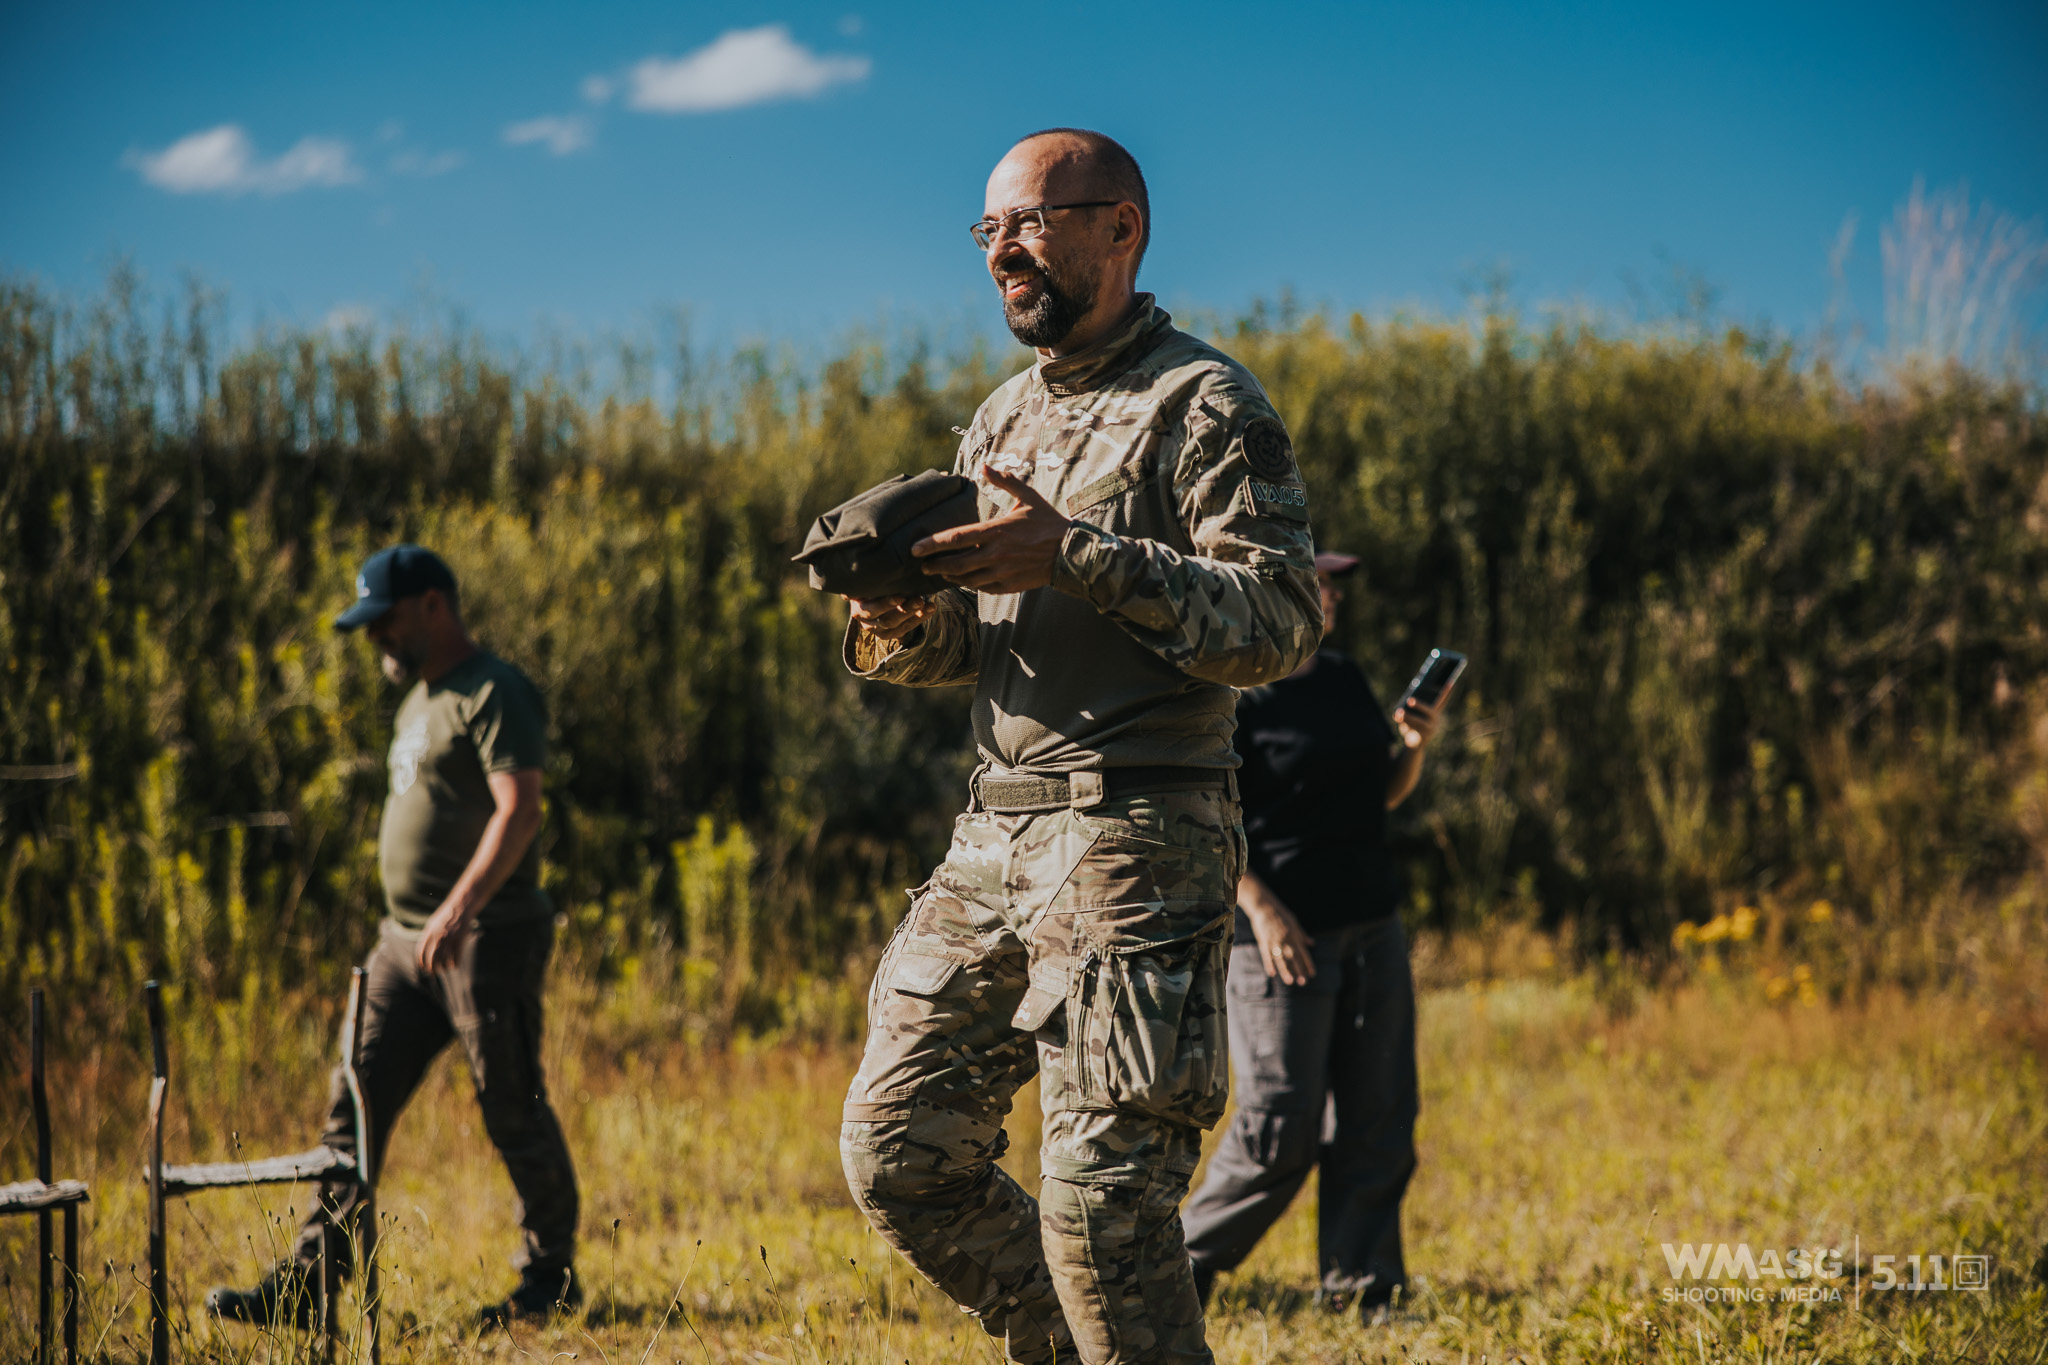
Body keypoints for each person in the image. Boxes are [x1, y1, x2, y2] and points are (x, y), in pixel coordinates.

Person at [835, 128, 1322, 1365]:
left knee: (1103, 1205)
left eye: (1033, 221)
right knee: (895, 1153)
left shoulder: (1201, 401)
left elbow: (1277, 622)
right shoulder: (998, 418)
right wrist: (901, 619)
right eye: (989, 229)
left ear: (1121, 230)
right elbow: (979, 649)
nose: (1006, 248)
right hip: (992, 836)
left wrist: (1078, 555)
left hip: (1136, 841)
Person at [206, 544, 581, 1329]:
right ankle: (311, 1282)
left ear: (433, 606)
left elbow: (520, 810)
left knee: (510, 1101)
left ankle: (549, 1277)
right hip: (400, 945)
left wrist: (459, 907)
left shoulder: (494, 690)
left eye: (386, 621)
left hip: (487, 935)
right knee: (355, 1100)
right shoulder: (419, 699)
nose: (377, 638)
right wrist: (422, 920)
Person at [1179, 551, 1442, 1323]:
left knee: (1378, 1113)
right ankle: (1178, 1271)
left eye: (1332, 583)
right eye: (1314, 580)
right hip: (1279, 938)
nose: (1328, 594)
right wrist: (1259, 910)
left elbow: (1380, 794)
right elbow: (1204, 822)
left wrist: (1416, 746)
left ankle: (1364, 1288)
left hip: (1372, 922)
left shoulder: (1343, 675)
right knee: (1278, 1125)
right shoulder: (1229, 695)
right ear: (1267, 591)